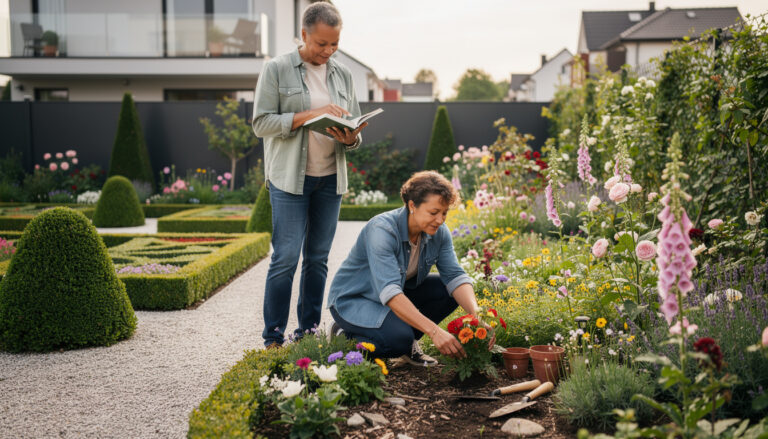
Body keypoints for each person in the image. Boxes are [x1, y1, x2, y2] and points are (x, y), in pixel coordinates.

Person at [252, 2, 368, 348]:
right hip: (290, 180)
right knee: (285, 258)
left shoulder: (343, 74)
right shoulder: (276, 69)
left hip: (330, 179)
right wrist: (309, 114)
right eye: (321, 44)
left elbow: (356, 124)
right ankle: (273, 336)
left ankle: (308, 332)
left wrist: (352, 137)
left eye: (334, 44)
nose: (328, 51)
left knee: (317, 260)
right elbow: (261, 124)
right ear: (303, 35)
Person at [327, 171, 483, 365]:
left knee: (446, 291)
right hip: (355, 300)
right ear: (412, 205)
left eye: (444, 213)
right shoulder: (382, 231)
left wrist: (478, 315)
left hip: (392, 295)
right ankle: (344, 335)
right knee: (397, 341)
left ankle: (408, 342)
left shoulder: (438, 233)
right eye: (434, 213)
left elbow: (455, 276)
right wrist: (433, 331)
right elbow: (390, 292)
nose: (440, 220)